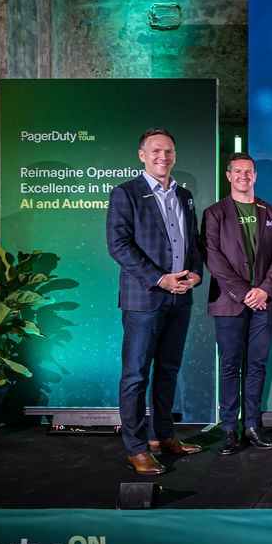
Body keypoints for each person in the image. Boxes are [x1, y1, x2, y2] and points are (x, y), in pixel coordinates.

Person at [107, 127, 203, 475]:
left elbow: (192, 242)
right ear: (142, 155)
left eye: (169, 152)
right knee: (135, 376)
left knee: (168, 371)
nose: (163, 157)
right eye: (156, 151)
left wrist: (195, 273)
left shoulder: (184, 195)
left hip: (180, 298)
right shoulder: (125, 194)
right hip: (144, 299)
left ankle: (162, 436)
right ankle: (136, 448)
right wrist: (160, 278)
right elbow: (119, 246)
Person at [202, 152, 272, 456]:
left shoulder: (271, 212)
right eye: (237, 171)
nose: (243, 176)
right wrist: (243, 292)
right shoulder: (215, 213)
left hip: (264, 303)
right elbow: (213, 257)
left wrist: (264, 290)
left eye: (248, 172)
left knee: (257, 366)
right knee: (229, 366)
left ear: (255, 176)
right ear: (228, 176)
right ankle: (229, 430)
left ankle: (253, 426)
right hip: (229, 303)